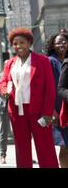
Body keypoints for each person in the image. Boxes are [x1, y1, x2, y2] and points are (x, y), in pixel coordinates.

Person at [0, 28, 59, 168]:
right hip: (16, 111)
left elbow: (50, 89)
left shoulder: (42, 61)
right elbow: (3, 82)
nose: (18, 46)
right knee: (21, 150)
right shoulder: (10, 63)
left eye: (22, 42)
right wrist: (4, 91)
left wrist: (47, 112)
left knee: (45, 148)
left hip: (39, 111)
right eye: (15, 43)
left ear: (29, 43)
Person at [46, 31, 68, 167]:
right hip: (59, 110)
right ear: (53, 45)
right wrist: (51, 109)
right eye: (58, 42)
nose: (62, 44)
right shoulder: (50, 61)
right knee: (64, 146)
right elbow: (49, 87)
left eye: (65, 42)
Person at [0, 71, 12, 164]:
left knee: (21, 132)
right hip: (4, 109)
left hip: (16, 107)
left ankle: (25, 155)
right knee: (4, 131)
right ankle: (2, 155)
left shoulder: (15, 76)